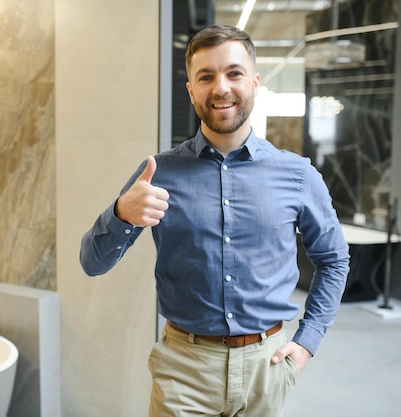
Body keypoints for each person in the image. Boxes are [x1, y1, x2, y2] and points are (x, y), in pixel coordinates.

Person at [80, 23, 350, 417]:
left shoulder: (298, 175)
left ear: (255, 82)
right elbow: (92, 262)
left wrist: (307, 341)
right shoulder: (159, 173)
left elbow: (334, 259)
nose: (221, 87)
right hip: (184, 369)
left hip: (267, 366)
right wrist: (121, 214)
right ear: (191, 90)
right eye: (206, 77)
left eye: (234, 73)